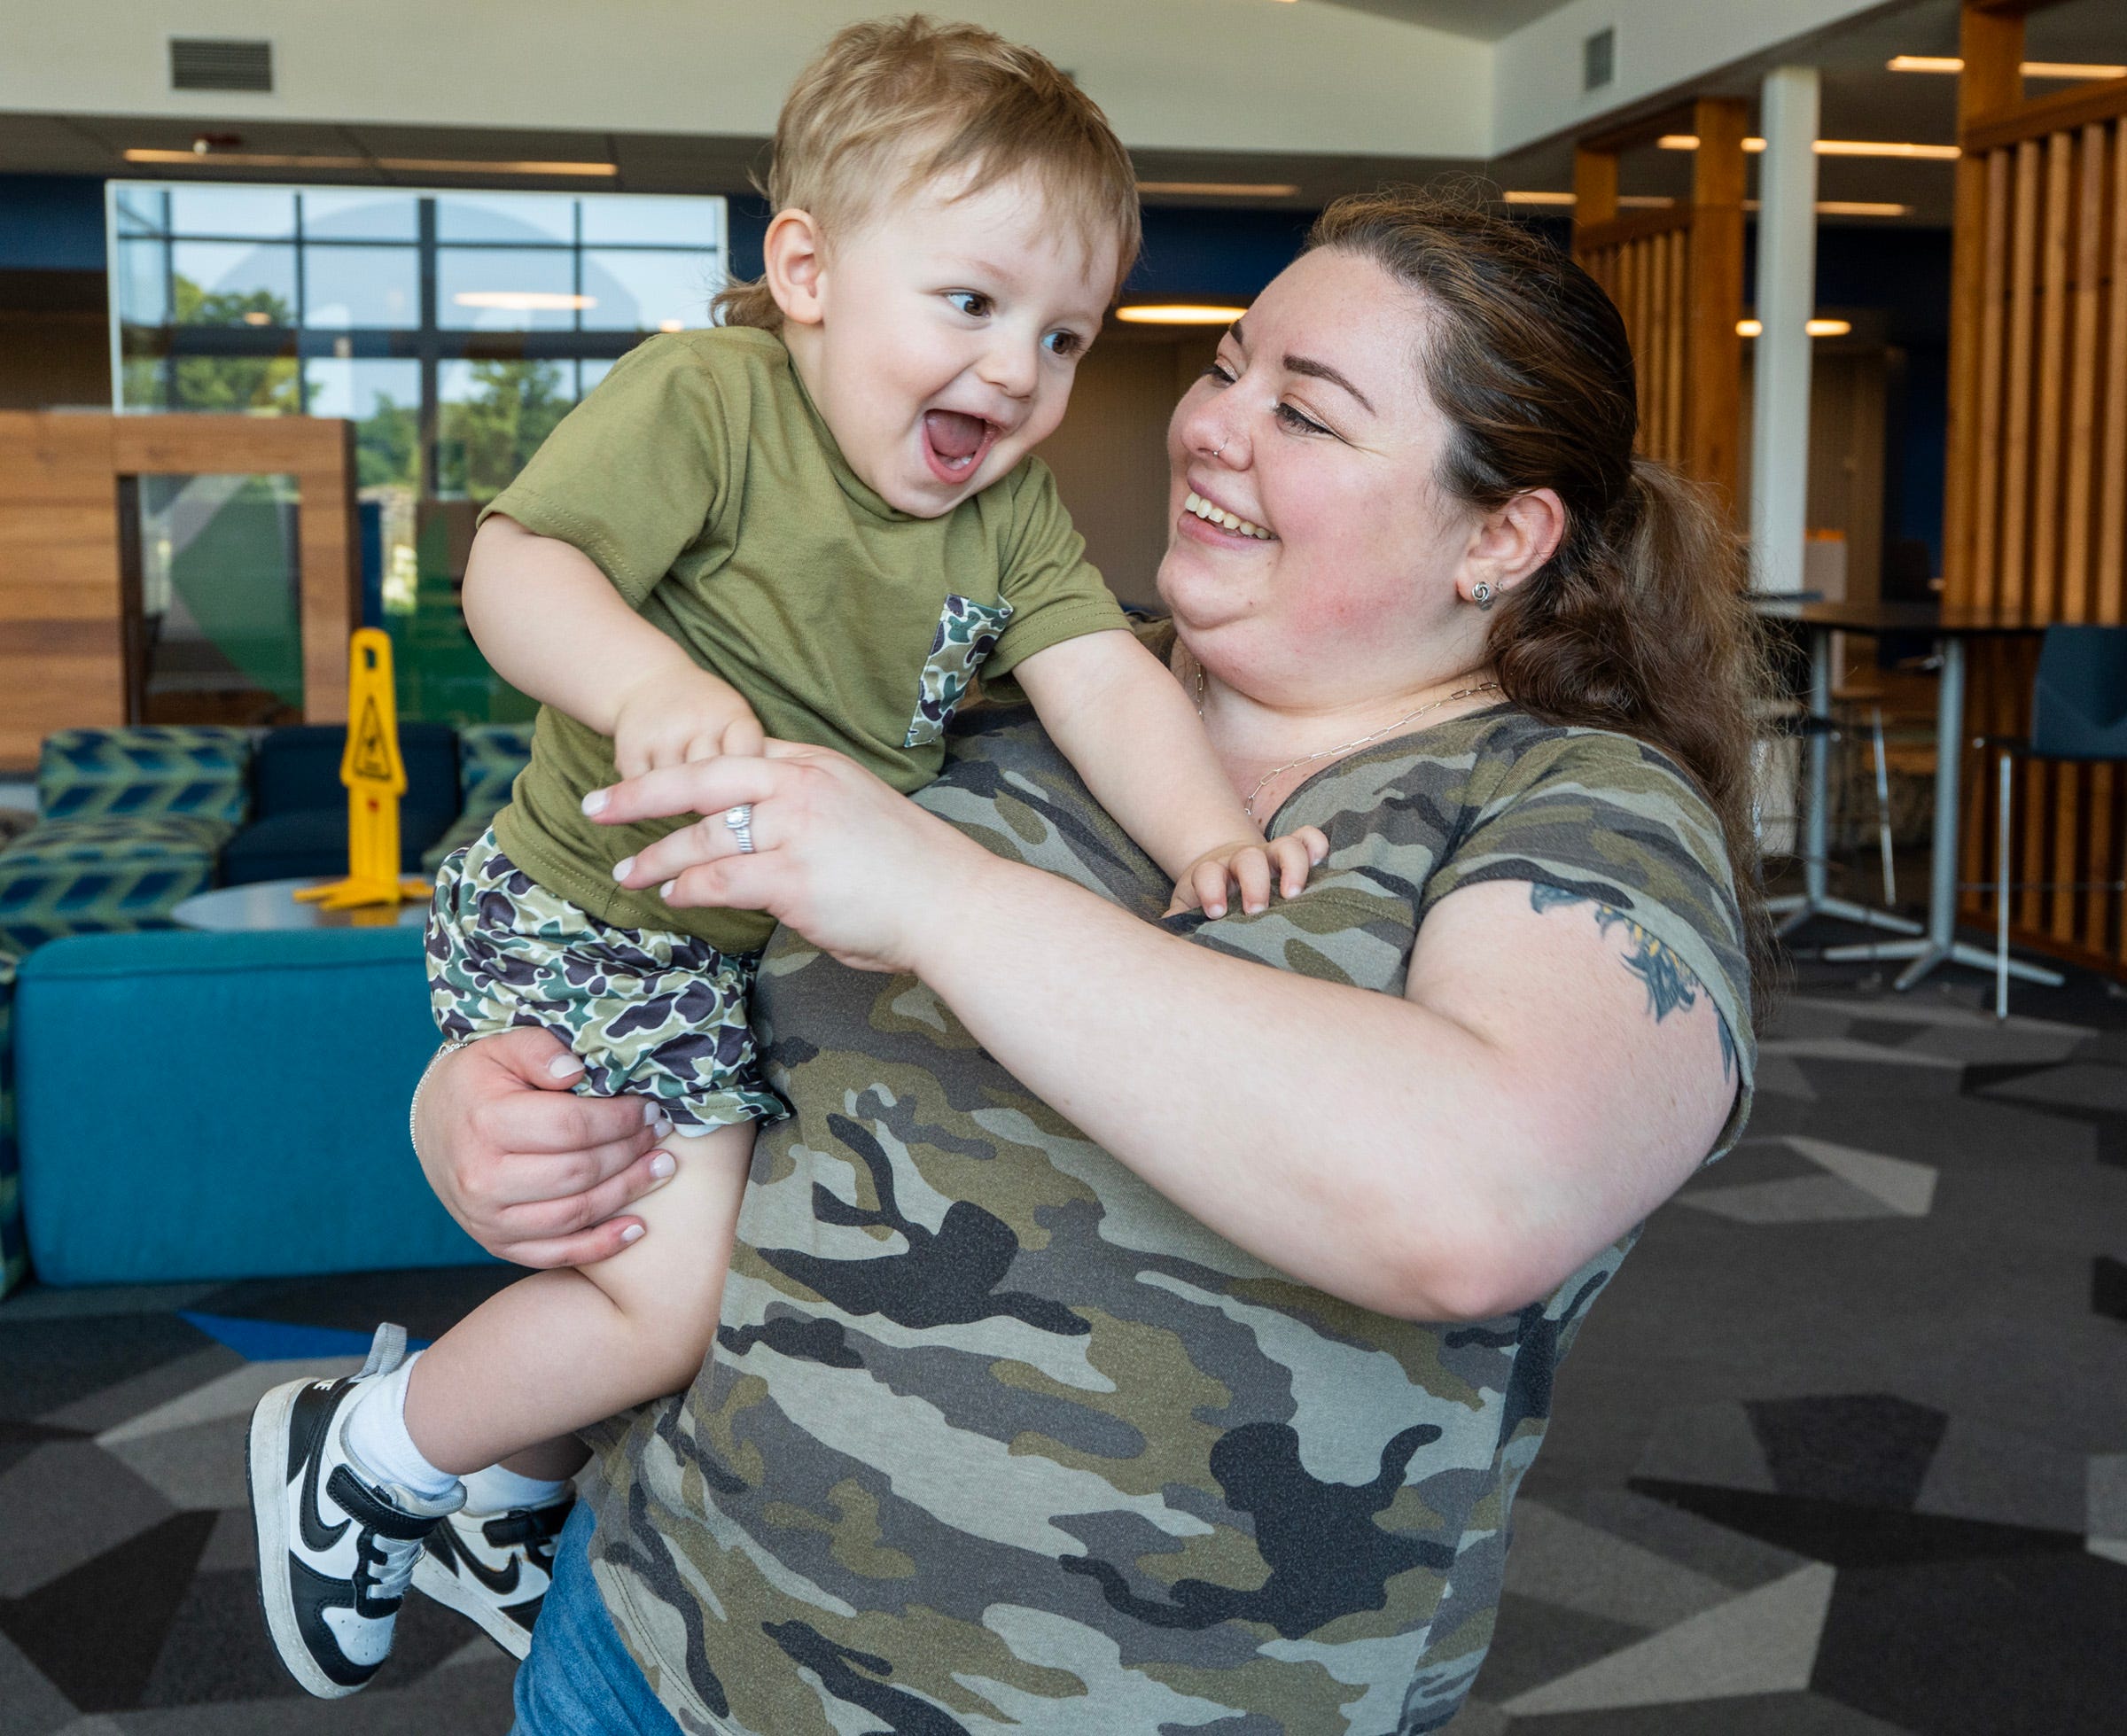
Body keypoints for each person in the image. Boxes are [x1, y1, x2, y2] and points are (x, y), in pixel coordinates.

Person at [414, 188, 1769, 1735]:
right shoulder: (980, 684)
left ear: (1501, 535)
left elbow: (1478, 1200)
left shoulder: (1576, 807)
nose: (1212, 428)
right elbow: (610, 912)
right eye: (1228, 365)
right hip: (656, 1651)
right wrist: (477, 1108)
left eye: (1306, 415)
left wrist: (941, 899)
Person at [245, 16, 1325, 1702]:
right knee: (664, 1309)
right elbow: (513, 572)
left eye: (1062, 336)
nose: (1016, 372)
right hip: (602, 915)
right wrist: (651, 684)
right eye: (968, 305)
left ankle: (511, 1487)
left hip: (738, 959)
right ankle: (368, 1450)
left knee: (721, 1250)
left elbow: (1102, 674)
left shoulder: (1007, 515)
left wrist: (1209, 835)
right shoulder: (714, 400)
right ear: (808, 271)